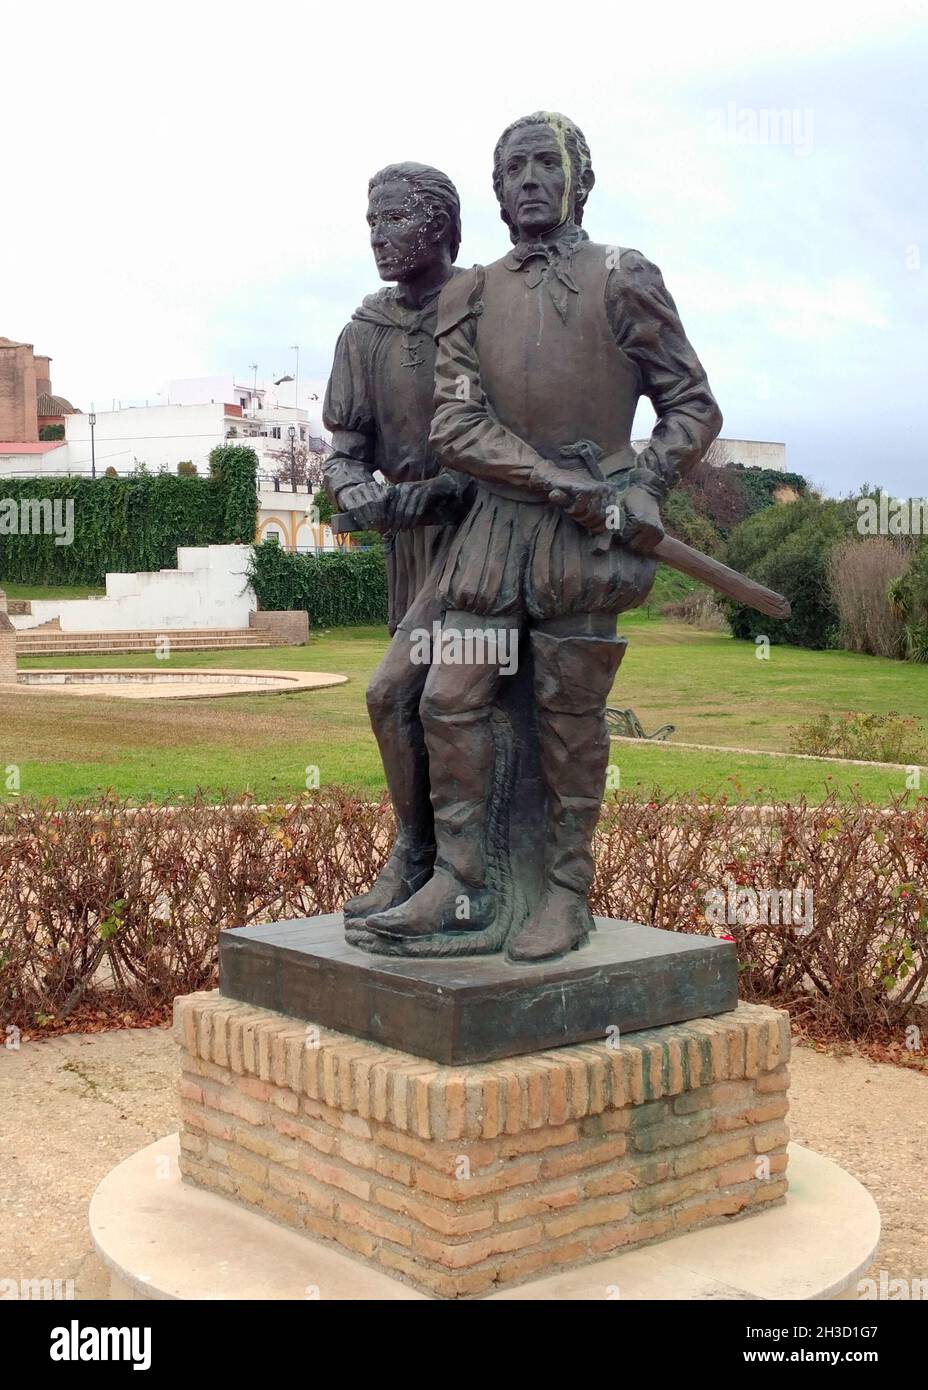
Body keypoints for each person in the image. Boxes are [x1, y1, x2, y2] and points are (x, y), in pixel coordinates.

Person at [365, 113, 722, 961]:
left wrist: (646, 479)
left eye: (544, 164)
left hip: (585, 553)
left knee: (570, 717)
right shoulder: (472, 291)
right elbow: (456, 423)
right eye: (513, 168)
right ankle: (462, 882)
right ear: (495, 193)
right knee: (448, 698)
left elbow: (693, 405)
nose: (529, 179)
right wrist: (558, 481)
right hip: (497, 537)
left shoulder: (623, 277)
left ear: (578, 180)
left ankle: (566, 891)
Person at [323, 162, 471, 925]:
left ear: (443, 225)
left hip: (477, 537)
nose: (380, 237)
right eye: (372, 222)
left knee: (400, 694)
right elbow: (345, 448)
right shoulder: (365, 331)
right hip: (408, 548)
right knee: (412, 703)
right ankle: (428, 859)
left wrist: (449, 487)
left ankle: (431, 860)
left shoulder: (483, 309)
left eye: (397, 219)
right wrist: (350, 485)